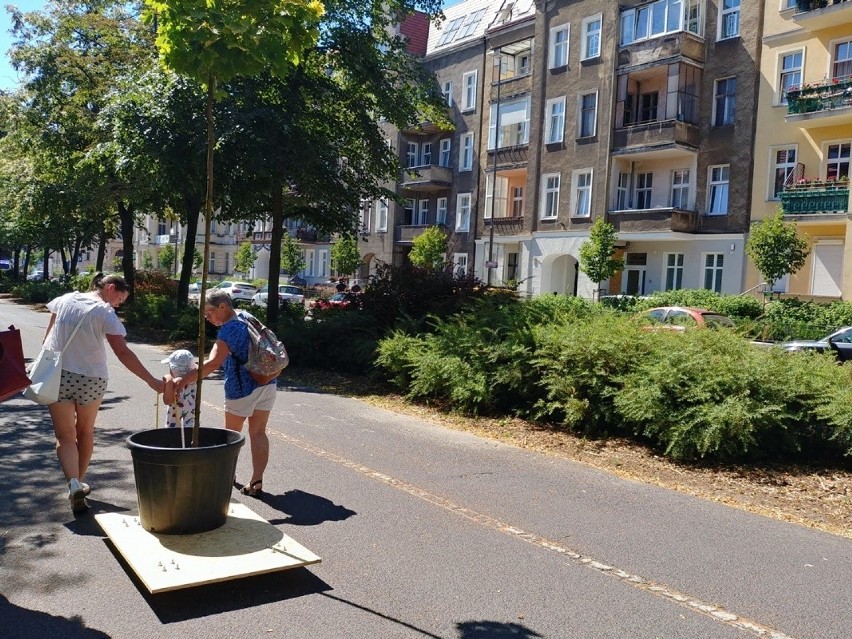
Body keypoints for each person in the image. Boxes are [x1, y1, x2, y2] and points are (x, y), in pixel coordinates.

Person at [43, 273, 164, 514]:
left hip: (58, 375)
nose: (118, 304)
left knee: (65, 436)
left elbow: (48, 338)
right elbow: (123, 353)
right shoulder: (105, 312)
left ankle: (74, 483)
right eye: (120, 298)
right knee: (85, 431)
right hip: (92, 378)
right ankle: (78, 482)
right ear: (110, 287)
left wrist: (43, 367)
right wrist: (151, 380)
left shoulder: (65, 299)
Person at [197, 289, 277, 497]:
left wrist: (185, 380)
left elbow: (213, 363)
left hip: (241, 389)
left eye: (209, 312)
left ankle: (227, 476)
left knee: (230, 436)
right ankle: (256, 481)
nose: (207, 318)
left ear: (223, 307)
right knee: (258, 432)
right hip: (267, 380)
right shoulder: (247, 316)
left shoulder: (228, 330)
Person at [161, 349, 197, 429]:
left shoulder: (176, 384)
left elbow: (167, 400)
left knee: (176, 441)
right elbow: (194, 372)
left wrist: (168, 380)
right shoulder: (193, 381)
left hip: (175, 425)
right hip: (191, 423)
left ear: (173, 369)